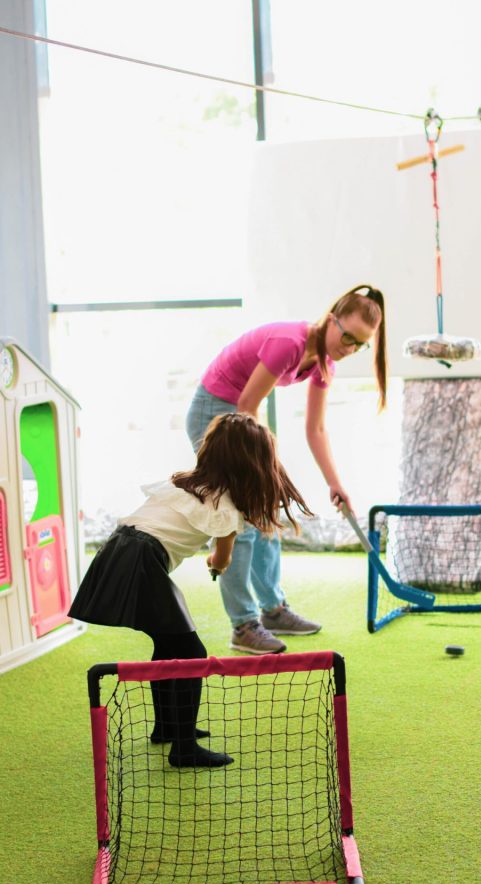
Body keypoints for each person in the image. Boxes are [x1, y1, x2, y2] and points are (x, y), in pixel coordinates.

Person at [69, 413, 311, 769]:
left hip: (117, 549)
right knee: (190, 652)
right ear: (252, 463)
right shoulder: (226, 507)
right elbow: (221, 559)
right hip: (141, 559)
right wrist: (216, 564)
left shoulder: (180, 483)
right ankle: (183, 749)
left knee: (169, 646)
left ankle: (168, 727)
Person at [186, 284, 387, 655]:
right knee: (240, 519)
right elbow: (247, 404)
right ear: (331, 320)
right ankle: (243, 625)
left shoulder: (324, 364)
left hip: (241, 417)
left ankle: (273, 610)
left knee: (268, 510)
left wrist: (335, 484)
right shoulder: (289, 343)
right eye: (347, 337)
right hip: (213, 414)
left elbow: (316, 429)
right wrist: (266, 468)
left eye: (360, 345)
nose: (349, 348)